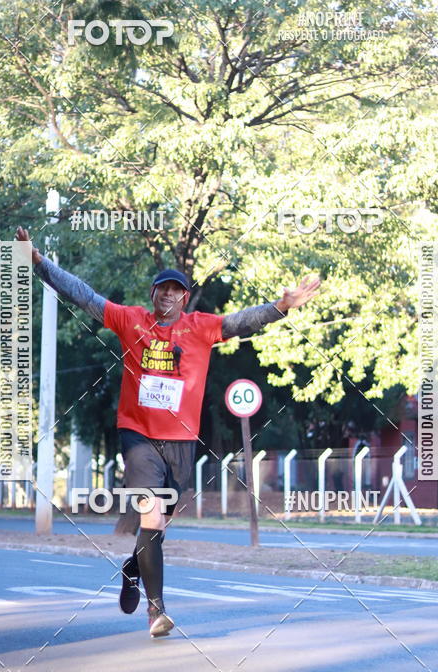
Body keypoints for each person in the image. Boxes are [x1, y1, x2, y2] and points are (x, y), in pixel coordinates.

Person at [16, 225, 320, 636]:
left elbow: (242, 321)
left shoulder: (202, 327)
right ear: (154, 294)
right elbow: (83, 294)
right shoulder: (130, 321)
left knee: (157, 527)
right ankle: (156, 612)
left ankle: (132, 567)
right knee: (152, 516)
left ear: (185, 297)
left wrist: (281, 306)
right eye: (162, 289)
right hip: (138, 435)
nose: (168, 295)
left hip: (181, 442)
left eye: (176, 290)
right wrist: (38, 263)